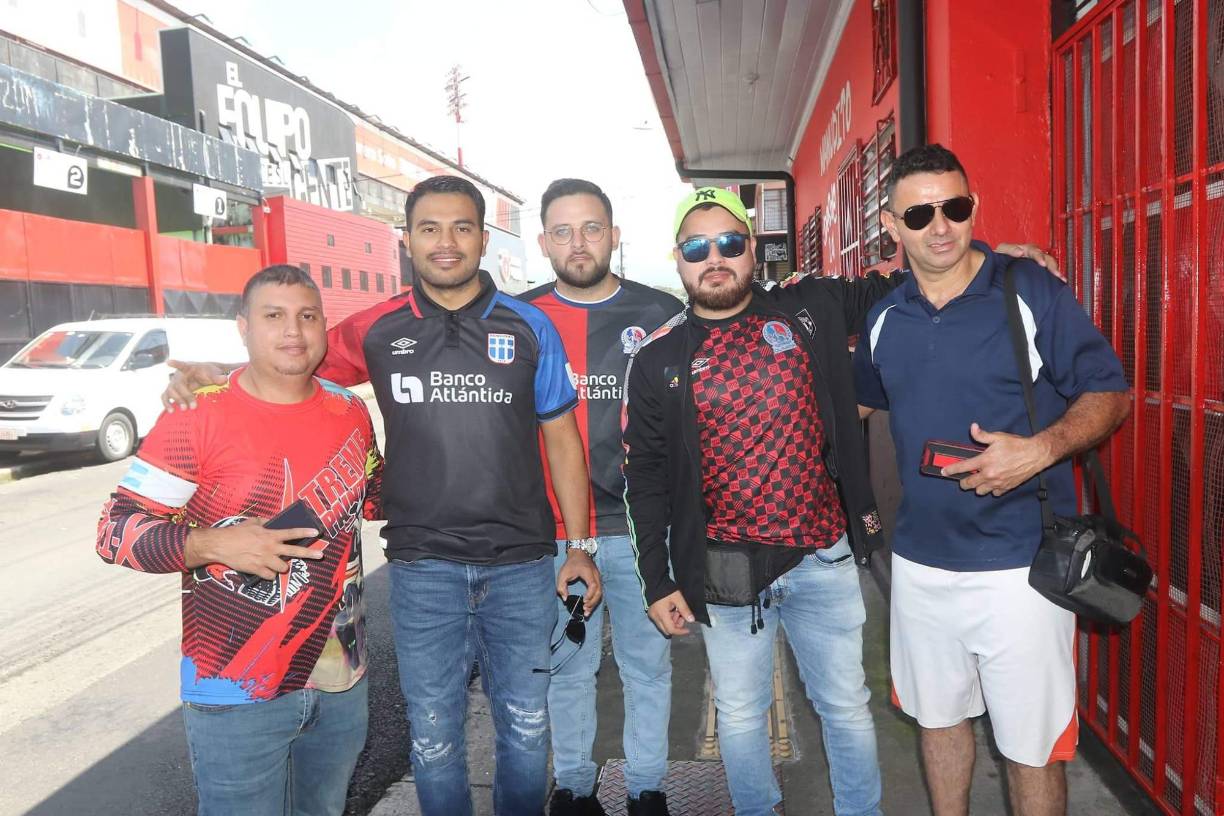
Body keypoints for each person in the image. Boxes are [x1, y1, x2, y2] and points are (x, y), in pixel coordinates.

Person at [160, 175, 599, 816]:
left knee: (528, 733)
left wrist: (578, 546)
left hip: (522, 566)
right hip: (422, 571)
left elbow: (564, 441)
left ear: (482, 237)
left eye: (461, 227)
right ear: (407, 240)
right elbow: (292, 359)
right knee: (433, 741)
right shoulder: (377, 327)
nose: (445, 243)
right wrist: (216, 378)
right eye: (429, 228)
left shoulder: (530, 326)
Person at [852, 144, 1130, 816]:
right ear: (890, 227)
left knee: (1031, 747)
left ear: (973, 208)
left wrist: (1038, 450)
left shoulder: (1027, 289)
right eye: (919, 213)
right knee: (937, 722)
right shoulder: (884, 317)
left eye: (955, 206)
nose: (940, 225)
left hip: (1022, 570)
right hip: (921, 568)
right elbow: (853, 409)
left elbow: (1109, 394)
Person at [96, 264, 383, 816]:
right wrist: (214, 545)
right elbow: (115, 529)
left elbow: (373, 499)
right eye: (273, 316)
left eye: (306, 316)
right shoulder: (197, 414)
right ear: (243, 328)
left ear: (324, 328)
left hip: (341, 678)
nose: (293, 331)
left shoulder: (350, 412)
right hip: (234, 688)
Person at [522, 179, 683, 816]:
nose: (578, 242)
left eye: (591, 228)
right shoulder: (520, 317)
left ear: (615, 236)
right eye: (562, 231)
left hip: (642, 529)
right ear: (542, 242)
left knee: (648, 667)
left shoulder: (661, 313)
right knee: (569, 669)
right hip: (559, 534)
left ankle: (647, 789)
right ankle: (574, 790)